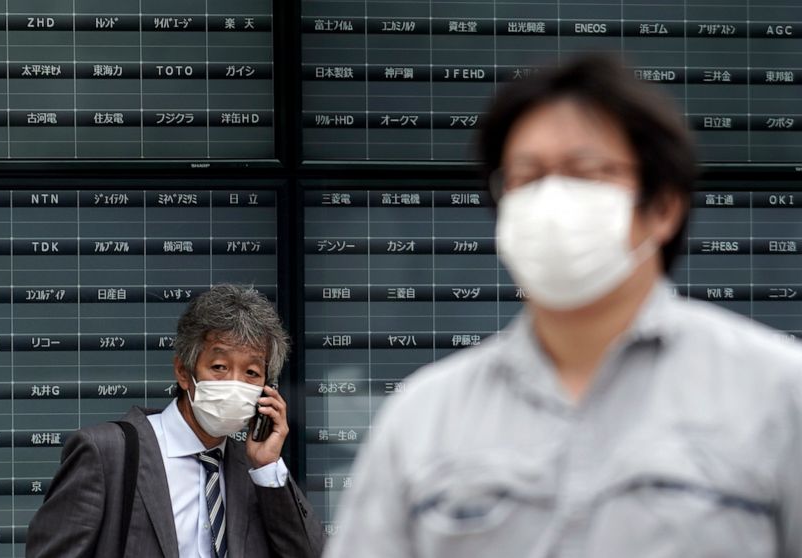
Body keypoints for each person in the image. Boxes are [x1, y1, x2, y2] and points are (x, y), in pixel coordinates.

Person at [324, 55, 802, 557]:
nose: (551, 200)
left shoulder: (777, 393)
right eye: (526, 177)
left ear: (663, 207)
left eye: (586, 172)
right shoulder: (423, 417)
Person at [27, 284, 323, 558]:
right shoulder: (107, 453)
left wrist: (267, 467)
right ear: (183, 372)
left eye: (252, 373)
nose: (235, 384)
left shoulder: (254, 472)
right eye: (219, 367)